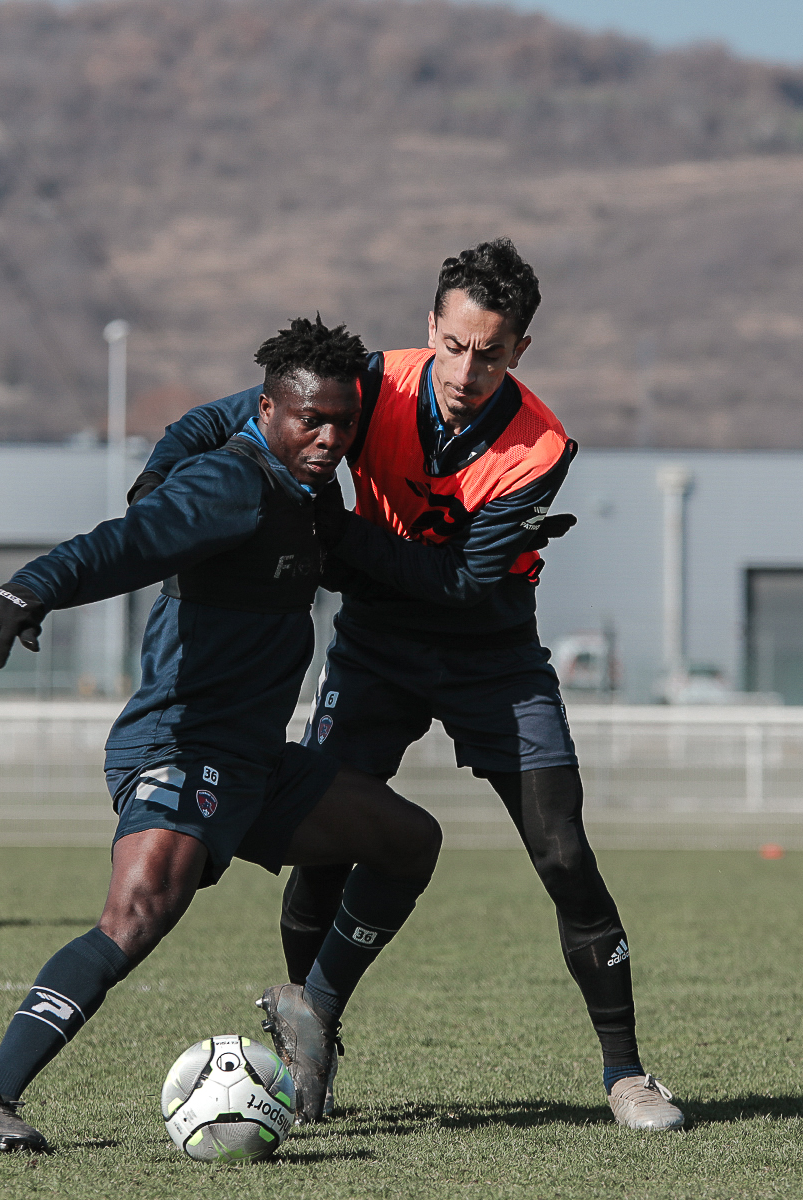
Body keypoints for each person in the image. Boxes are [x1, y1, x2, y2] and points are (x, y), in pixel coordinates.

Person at [132, 239, 685, 1131]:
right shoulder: (370, 380)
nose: (469, 370)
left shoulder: (539, 446)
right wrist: (156, 488)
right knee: (322, 845)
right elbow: (223, 419)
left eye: (492, 352)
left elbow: (458, 584)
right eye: (456, 345)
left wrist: (331, 532)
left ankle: (627, 1074)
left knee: (565, 858)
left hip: (493, 658)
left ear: (521, 351)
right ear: (431, 327)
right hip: (375, 650)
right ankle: (313, 1045)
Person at [0, 317, 442, 1151]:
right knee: (134, 918)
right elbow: (125, 544)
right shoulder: (229, 485)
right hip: (180, 746)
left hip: (253, 763)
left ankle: (312, 1007)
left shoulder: (309, 497)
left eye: (344, 423)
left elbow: (375, 554)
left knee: (408, 840)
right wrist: (28, 591)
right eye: (310, 418)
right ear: (267, 411)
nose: (329, 437)